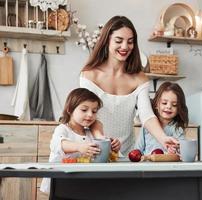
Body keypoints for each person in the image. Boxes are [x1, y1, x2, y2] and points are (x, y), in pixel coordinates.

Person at [80, 15, 178, 155]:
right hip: (95, 149)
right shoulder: (89, 76)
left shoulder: (140, 78)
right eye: (119, 41)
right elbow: (87, 115)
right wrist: (102, 140)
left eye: (130, 42)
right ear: (106, 41)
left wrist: (163, 139)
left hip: (127, 153)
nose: (125, 47)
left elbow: (146, 115)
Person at [40, 88, 121, 193]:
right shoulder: (63, 129)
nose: (90, 114)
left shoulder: (90, 133)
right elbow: (60, 144)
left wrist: (114, 148)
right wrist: (79, 147)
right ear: (70, 109)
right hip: (60, 182)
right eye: (84, 110)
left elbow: (104, 155)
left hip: (82, 184)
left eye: (94, 111)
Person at [135, 82, 189, 155]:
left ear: (179, 108)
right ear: (156, 104)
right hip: (146, 164)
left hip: (166, 165)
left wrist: (175, 151)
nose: (169, 107)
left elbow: (183, 151)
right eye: (164, 103)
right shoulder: (147, 126)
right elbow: (137, 149)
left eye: (174, 105)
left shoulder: (177, 129)